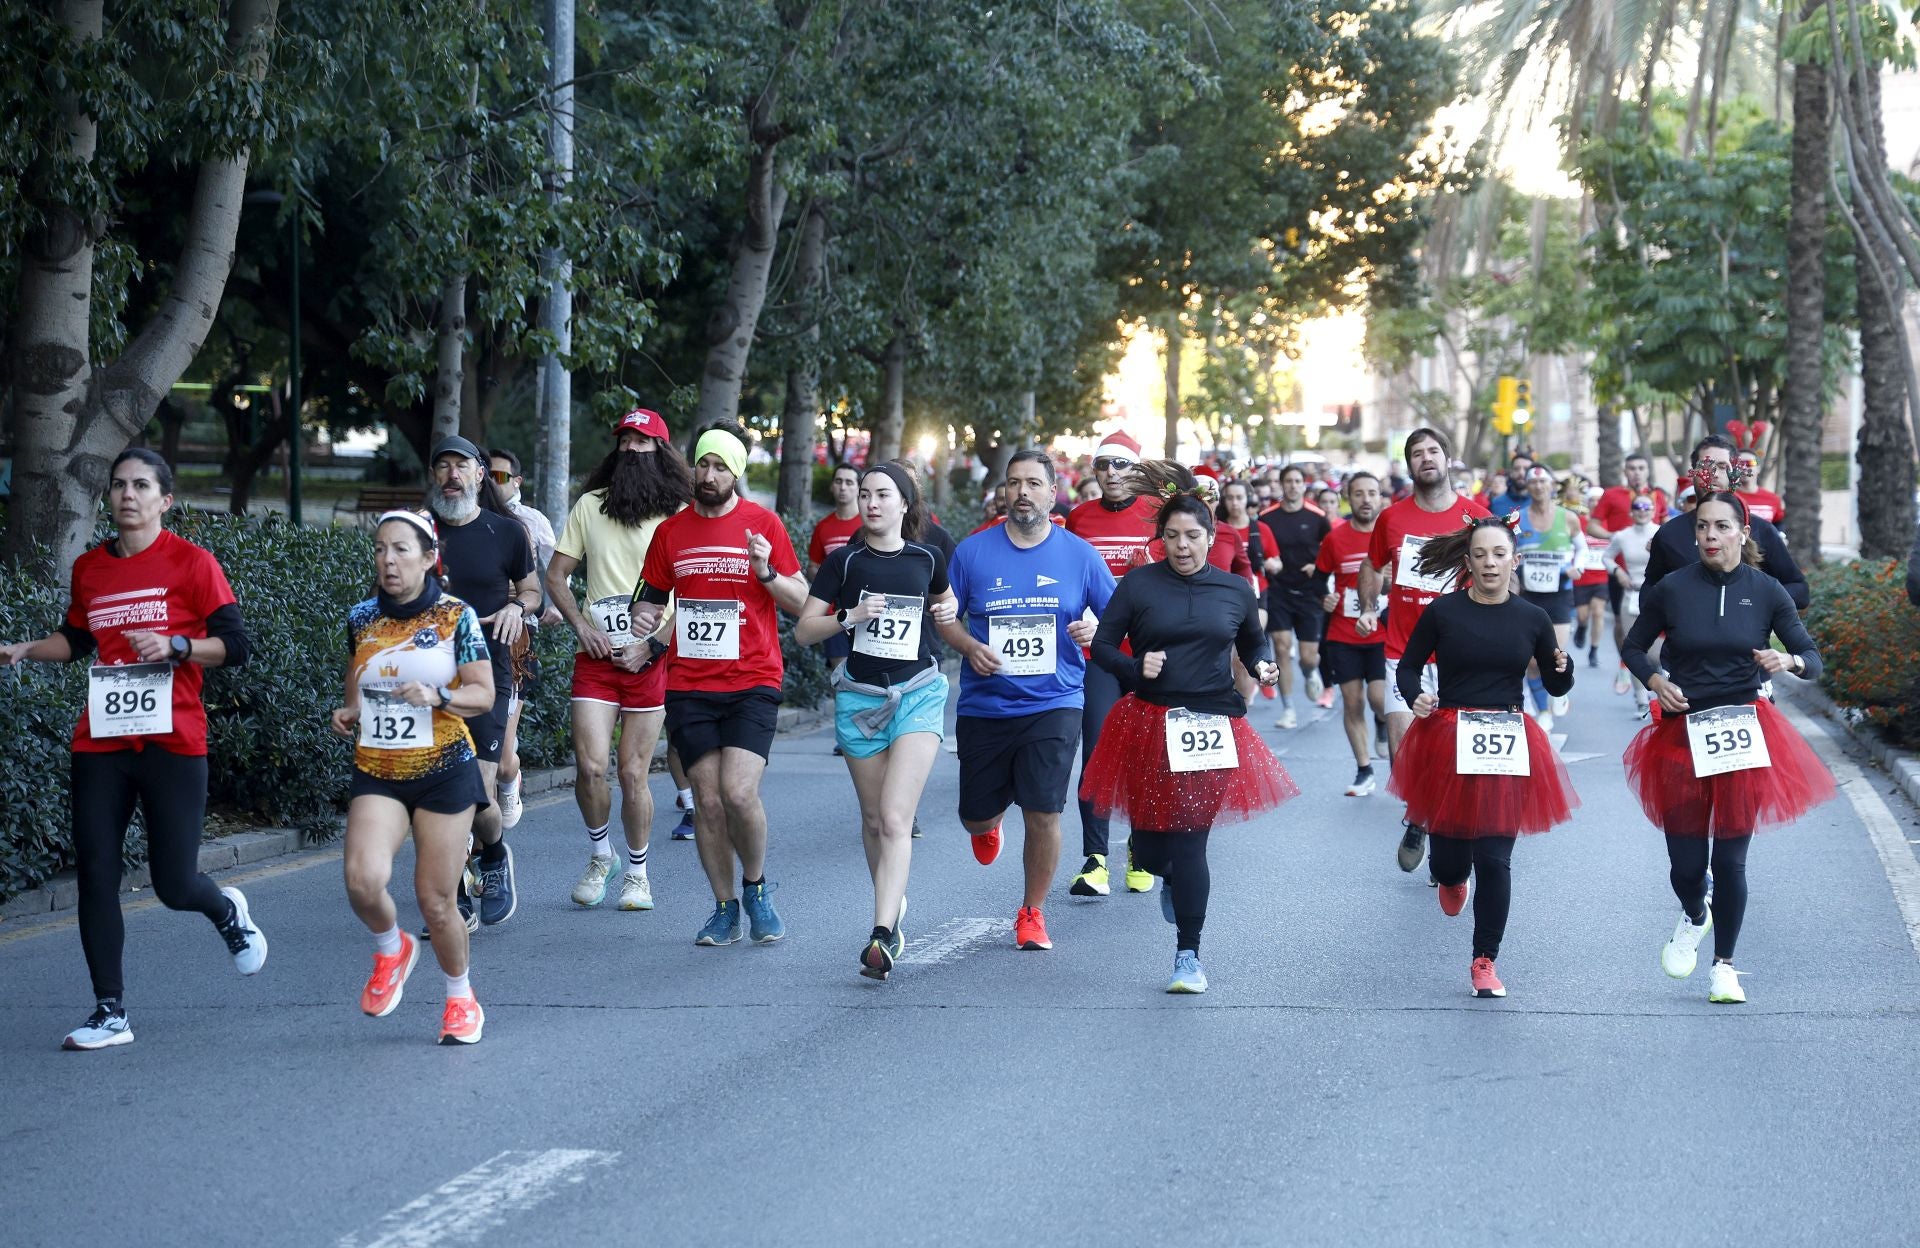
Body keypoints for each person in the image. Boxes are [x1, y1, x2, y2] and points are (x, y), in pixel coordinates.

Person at [0, 448, 265, 1051]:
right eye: (118, 485)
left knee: (174, 885)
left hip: (174, 739)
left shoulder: (193, 564)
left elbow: (237, 645)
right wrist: (23, 649)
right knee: (97, 870)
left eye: (141, 485)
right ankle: (109, 1011)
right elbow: (75, 639)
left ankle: (225, 911)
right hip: (101, 741)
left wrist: (177, 646)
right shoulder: (90, 568)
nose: (127, 495)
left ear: (164, 500)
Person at [1080, 462, 1294, 993]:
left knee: (1192, 839)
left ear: (1211, 534)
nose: (1182, 546)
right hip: (1151, 720)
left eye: (1193, 536)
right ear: (1161, 538)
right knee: (1154, 852)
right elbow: (1103, 646)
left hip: (1213, 722)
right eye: (1172, 536)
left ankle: (1188, 956)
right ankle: (1164, 872)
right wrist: (1135, 668)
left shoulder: (1235, 589)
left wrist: (1263, 664)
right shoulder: (1138, 586)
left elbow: (1251, 642)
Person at [1621, 492, 1835, 1004]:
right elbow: (1633, 645)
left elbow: (1811, 655)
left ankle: (1725, 966)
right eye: (1702, 527)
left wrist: (1791, 664)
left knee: (1733, 860)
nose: (1710, 536)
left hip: (1742, 729)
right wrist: (1654, 679)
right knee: (1686, 865)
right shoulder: (1672, 589)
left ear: (1744, 533)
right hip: (1682, 730)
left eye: (1721, 527)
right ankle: (1695, 912)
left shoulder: (1766, 591)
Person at [631, 422, 809, 946]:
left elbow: (802, 602)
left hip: (752, 678)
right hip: (689, 682)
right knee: (707, 801)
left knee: (737, 791)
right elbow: (649, 596)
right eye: (703, 465)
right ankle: (724, 906)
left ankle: (756, 887)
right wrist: (642, 620)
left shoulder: (763, 525)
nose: (708, 475)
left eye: (720, 467)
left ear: (736, 475)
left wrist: (766, 572)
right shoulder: (671, 533)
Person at [1386, 515, 1579, 1000]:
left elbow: (1556, 685)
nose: (1490, 563)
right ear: (1467, 561)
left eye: (1499, 554)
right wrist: (1416, 697)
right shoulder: (1444, 612)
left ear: (1515, 560)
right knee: (1451, 862)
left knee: (1494, 859)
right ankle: (1450, 876)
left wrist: (1562, 667)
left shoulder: (1531, 618)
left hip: (1508, 738)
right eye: (1481, 554)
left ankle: (1484, 961)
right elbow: (1408, 668)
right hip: (1449, 736)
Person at [936, 449, 1114, 952]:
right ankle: (987, 825)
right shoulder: (971, 553)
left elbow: (1118, 617)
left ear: (1053, 493)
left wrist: (1097, 629)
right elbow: (945, 616)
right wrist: (969, 646)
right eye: (1014, 483)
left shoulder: (1079, 554)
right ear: (1004, 492)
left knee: (1044, 811)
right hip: (985, 705)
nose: (1022, 492)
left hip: (1056, 701)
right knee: (976, 814)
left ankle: (1033, 912)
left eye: (1034, 483)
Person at [331, 511, 494, 1044]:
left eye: (401, 550)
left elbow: (483, 694)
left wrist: (440, 695)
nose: (388, 560)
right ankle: (390, 948)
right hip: (379, 768)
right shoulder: (361, 617)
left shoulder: (456, 618)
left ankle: (460, 997)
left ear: (429, 559)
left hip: (444, 770)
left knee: (436, 900)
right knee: (361, 880)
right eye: (380, 549)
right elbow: (360, 680)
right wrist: (349, 712)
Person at [793, 464, 958, 978]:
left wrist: (948, 611)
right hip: (859, 700)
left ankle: (882, 933)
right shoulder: (843, 563)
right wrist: (851, 617)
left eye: (883, 495)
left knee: (893, 818)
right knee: (872, 820)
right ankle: (892, 905)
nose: (871, 503)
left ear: (906, 504)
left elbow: (945, 602)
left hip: (917, 694)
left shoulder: (927, 557)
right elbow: (804, 631)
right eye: (865, 494)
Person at [546, 408, 693, 912]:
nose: (631, 448)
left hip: (652, 660)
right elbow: (556, 576)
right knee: (589, 768)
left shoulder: (680, 512)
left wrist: (653, 645)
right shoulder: (590, 505)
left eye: (642, 441)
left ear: (662, 451)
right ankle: (598, 855)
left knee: (632, 773)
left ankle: (637, 873)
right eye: (625, 440)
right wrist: (582, 627)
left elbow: (695, 593)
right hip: (597, 656)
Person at [1357, 428, 1490, 874]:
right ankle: (1418, 815)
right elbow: (1372, 565)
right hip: (1404, 651)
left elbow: (1500, 574)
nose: (1426, 458)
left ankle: (1442, 833)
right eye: (1417, 453)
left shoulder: (1476, 517)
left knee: (1457, 755)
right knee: (1403, 747)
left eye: (1433, 451)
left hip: (1462, 655)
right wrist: (1370, 606)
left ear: (1448, 459)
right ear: (1409, 465)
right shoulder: (1391, 518)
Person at [427, 435, 541, 929]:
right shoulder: (417, 532)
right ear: (435, 476)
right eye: (443, 466)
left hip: (486, 675)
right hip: (426, 678)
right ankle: (454, 901)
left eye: (461, 465)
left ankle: (493, 854)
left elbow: (533, 590)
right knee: (436, 795)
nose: (452, 474)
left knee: (477, 792)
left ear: (479, 475)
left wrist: (518, 606)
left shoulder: (508, 532)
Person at [1062, 430, 1161, 899]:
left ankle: (1140, 851)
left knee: (1144, 755)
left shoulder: (1159, 516)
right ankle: (1095, 859)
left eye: (1122, 465)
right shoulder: (1079, 518)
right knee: (1097, 751)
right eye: (1105, 465)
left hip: (1147, 655)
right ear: (1094, 471)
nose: (1113, 474)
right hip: (1099, 654)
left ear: (1137, 470)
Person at [1643, 435, 1807, 610]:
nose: (1713, 474)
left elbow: (1799, 590)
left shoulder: (1761, 530)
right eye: (1705, 466)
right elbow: (1650, 588)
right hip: (1684, 636)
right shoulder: (1669, 533)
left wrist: (1756, 597)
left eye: (1722, 466)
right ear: (1693, 473)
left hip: (1747, 634)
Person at [486, 447, 557, 833]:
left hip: (513, 642)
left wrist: (556, 607)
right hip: (467, 638)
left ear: (517, 481)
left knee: (503, 757)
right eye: (487, 474)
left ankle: (509, 779)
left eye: (501, 476)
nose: (492, 483)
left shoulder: (528, 522)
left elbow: (558, 567)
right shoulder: (468, 520)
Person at [1315, 471, 1389, 796]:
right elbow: (1319, 578)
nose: (1366, 499)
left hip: (1385, 634)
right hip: (1344, 633)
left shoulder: (1392, 536)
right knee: (1353, 702)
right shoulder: (1336, 538)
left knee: (1379, 699)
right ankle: (1364, 770)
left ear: (1380, 498)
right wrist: (1325, 597)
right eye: (1358, 494)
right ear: (1349, 498)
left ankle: (1385, 723)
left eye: (1372, 493)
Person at [1258, 463, 1333, 728]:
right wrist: (1267, 563)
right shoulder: (1267, 518)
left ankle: (1311, 672)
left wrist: (1318, 565)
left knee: (1308, 656)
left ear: (1304, 485)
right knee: (1280, 645)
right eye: (1288, 481)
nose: (1292, 485)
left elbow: (1331, 548)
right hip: (1278, 590)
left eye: (1297, 481)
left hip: (1309, 592)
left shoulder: (1317, 516)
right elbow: (1260, 548)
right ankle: (1288, 708)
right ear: (1281, 485)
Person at [1512, 465, 1582, 731]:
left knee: (1553, 655)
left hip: (1559, 595)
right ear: (1528, 487)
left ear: (1551, 486)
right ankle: (1543, 709)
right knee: (1531, 659)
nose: (1538, 486)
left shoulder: (1568, 517)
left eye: (1543, 482)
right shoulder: (1518, 519)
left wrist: (1579, 567)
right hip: (1529, 595)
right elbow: (1510, 549)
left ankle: (1559, 688)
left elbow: (1582, 547)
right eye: (1533, 482)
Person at [808, 464, 865, 739]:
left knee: (864, 676)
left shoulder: (868, 524)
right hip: (835, 615)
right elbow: (812, 568)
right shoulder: (823, 527)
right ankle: (846, 735)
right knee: (842, 677)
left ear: (858, 488)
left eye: (849, 482)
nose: (843, 487)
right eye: (838, 481)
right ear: (832, 486)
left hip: (868, 614)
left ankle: (867, 731)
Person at [1605, 496, 1660, 713]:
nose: (1642, 511)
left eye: (1647, 507)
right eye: (1638, 507)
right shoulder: (1622, 536)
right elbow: (1606, 558)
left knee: (1656, 653)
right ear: (1631, 511)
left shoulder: (1661, 532)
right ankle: (1641, 698)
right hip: (1631, 595)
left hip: (1656, 596)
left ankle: (1661, 688)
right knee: (1634, 648)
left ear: (1654, 510)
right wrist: (1618, 571)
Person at [1588, 453, 1669, 536]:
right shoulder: (1611, 494)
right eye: (1632, 468)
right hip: (1621, 548)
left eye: (1641, 468)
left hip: (1650, 547)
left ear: (1648, 471)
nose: (1637, 472)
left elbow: (1668, 526)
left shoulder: (1658, 495)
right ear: (1625, 472)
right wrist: (1615, 537)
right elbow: (1592, 527)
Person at [1734, 450, 1785, 525]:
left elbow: (1778, 529)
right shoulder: (1727, 496)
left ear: (1758, 468)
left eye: (1750, 463)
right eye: (1740, 464)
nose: (1744, 467)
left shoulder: (1773, 499)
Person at [1485, 452, 1534, 518]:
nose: (1521, 472)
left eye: (1526, 469)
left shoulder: (1540, 503)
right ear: (1511, 472)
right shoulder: (1496, 503)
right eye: (1516, 468)